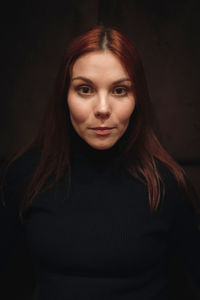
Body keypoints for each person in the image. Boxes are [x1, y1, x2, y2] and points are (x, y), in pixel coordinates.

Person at [1, 25, 200, 300]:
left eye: (119, 90)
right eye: (85, 89)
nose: (103, 108)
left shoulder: (168, 186)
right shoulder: (26, 175)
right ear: (65, 97)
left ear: (137, 98)